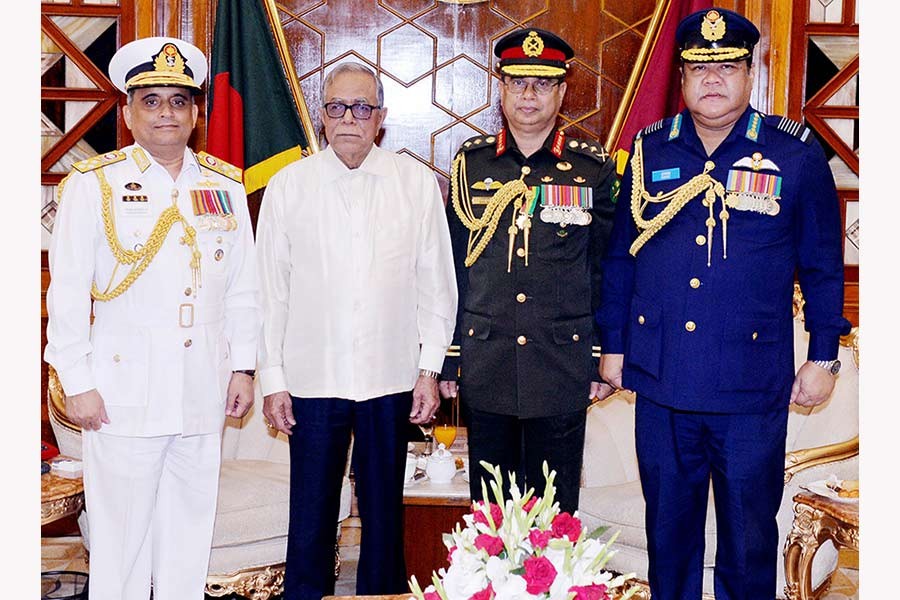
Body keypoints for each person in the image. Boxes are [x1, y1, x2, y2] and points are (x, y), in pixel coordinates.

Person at [597, 9, 852, 600]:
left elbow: (821, 264)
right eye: (698, 68)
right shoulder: (648, 147)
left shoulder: (793, 155)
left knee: (747, 539)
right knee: (670, 537)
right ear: (682, 78)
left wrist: (823, 354)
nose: (712, 79)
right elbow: (620, 259)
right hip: (662, 381)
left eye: (727, 66)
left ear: (749, 72)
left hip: (748, 385)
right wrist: (613, 345)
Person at [43, 36, 260, 599]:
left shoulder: (225, 185)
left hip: (201, 390)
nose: (167, 112)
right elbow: (66, 298)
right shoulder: (95, 185)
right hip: (122, 393)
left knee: (189, 534)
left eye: (179, 101)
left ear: (196, 113)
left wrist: (243, 368)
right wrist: (80, 383)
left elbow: (243, 289)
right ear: (128, 112)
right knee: (122, 542)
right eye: (152, 100)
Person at [256, 62, 458, 600]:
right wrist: (272, 378)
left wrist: (429, 369)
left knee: (385, 516)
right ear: (322, 117)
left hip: (389, 379)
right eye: (337, 107)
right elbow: (270, 291)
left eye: (362, 107)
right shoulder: (288, 187)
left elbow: (437, 285)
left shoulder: (413, 183)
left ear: (381, 119)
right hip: (312, 380)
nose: (349, 118)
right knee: (312, 518)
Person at [439, 28, 618, 514]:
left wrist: (598, 358)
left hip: (561, 363)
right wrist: (451, 356)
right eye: (518, 82)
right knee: (490, 510)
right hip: (487, 358)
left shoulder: (592, 169)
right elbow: (455, 265)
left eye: (543, 83)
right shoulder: (471, 164)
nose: (529, 94)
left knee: (555, 513)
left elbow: (604, 269)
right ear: (501, 89)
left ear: (562, 91)